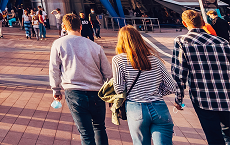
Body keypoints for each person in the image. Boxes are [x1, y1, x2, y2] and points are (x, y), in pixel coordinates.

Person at [49, 12, 112, 145]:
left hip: (74, 92)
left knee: (86, 133)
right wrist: (111, 95)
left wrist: (56, 90)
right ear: (81, 27)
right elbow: (107, 73)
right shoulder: (95, 46)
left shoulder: (59, 44)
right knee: (100, 127)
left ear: (64, 27)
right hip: (97, 92)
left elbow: (54, 68)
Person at [171, 9, 230, 144]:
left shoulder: (182, 41)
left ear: (185, 24)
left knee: (214, 137)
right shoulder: (222, 42)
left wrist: (179, 98)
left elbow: (179, 72)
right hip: (226, 97)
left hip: (203, 98)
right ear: (203, 22)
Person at [113, 25, 177, 145]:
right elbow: (172, 86)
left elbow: (119, 88)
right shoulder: (155, 60)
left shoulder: (118, 60)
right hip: (159, 108)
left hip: (135, 108)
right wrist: (157, 92)